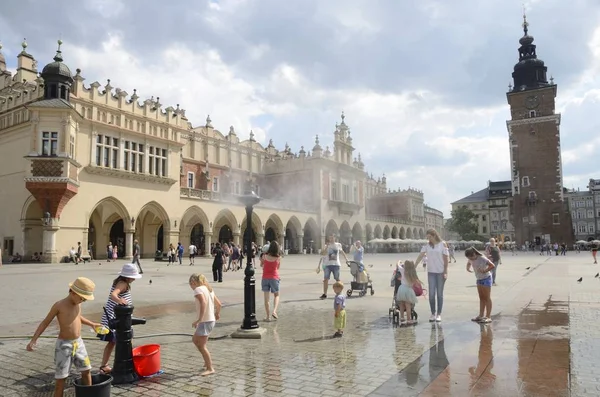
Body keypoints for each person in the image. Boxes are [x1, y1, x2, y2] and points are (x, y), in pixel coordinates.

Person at [26, 277, 100, 397]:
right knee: (61, 378)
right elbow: (45, 322)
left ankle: (89, 394)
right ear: (73, 292)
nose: (82, 301)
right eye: (82, 298)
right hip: (64, 345)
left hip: (78, 343)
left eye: (85, 300)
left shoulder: (78, 304)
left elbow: (77, 317)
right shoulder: (59, 305)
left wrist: (92, 324)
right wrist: (34, 339)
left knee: (86, 370)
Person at [97, 263, 142, 374]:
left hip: (115, 318)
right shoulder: (122, 284)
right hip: (116, 319)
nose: (134, 280)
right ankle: (117, 364)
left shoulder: (120, 282)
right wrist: (119, 300)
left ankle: (104, 365)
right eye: (133, 277)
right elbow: (114, 295)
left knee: (112, 343)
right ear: (127, 276)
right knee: (123, 341)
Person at [189, 273, 222, 376]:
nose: (191, 287)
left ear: (193, 282)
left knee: (202, 345)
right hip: (210, 320)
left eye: (190, 285)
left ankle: (210, 368)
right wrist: (217, 313)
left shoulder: (198, 290)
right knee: (195, 340)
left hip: (205, 321)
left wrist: (199, 319)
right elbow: (219, 304)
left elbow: (203, 302)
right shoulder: (209, 289)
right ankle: (206, 361)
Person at [415, 228, 449, 323]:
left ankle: (438, 314)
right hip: (431, 272)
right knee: (431, 294)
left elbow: (446, 259)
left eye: (430, 237)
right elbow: (420, 255)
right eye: (427, 237)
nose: (428, 239)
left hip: (441, 272)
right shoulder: (427, 245)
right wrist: (415, 265)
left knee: (439, 294)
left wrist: (445, 271)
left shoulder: (442, 244)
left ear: (434, 235)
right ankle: (432, 313)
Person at [465, 247, 495, 323]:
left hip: (486, 278)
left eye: (472, 257)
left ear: (474, 254)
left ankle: (488, 316)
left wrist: (485, 270)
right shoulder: (470, 258)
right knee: (481, 297)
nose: (471, 259)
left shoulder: (482, 258)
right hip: (479, 279)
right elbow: (469, 262)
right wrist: (467, 268)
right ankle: (481, 315)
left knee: (487, 297)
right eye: (469, 258)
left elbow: (492, 265)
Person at [320, 235, 349, 299]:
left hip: (336, 264)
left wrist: (346, 259)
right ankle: (325, 294)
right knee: (325, 279)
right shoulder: (326, 246)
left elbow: (342, 252)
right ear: (329, 239)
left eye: (332, 237)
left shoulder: (338, 245)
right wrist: (326, 246)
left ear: (335, 238)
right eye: (330, 238)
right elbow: (322, 254)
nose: (331, 239)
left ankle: (340, 292)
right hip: (327, 265)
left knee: (337, 279)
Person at [395, 260, 423, 325]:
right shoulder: (413, 273)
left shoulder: (402, 270)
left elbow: (397, 265)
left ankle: (402, 317)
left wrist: (399, 261)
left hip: (401, 288)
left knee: (401, 304)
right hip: (408, 289)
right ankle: (408, 319)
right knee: (408, 306)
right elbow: (415, 283)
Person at [260, 241, 281, 321]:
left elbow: (261, 265)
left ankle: (268, 317)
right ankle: (274, 311)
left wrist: (264, 264)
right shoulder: (278, 257)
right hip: (274, 278)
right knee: (277, 295)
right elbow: (278, 268)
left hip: (265, 278)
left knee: (266, 298)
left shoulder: (264, 256)